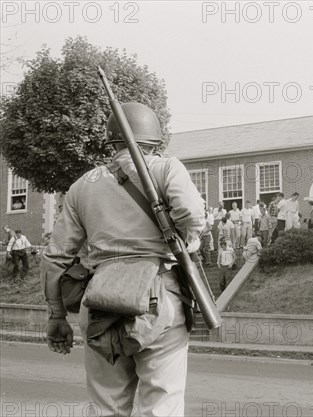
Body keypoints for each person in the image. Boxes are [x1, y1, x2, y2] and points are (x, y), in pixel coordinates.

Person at [40, 102, 205, 416]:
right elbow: (192, 214)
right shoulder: (166, 168)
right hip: (159, 299)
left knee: (106, 408)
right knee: (162, 406)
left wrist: (57, 316)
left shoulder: (81, 187)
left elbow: (55, 258)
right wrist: (189, 240)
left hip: (100, 299)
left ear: (110, 142)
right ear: (154, 141)